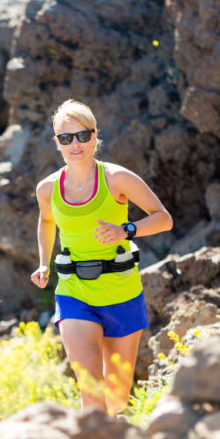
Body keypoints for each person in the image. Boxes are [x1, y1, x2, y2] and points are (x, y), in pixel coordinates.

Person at [31, 99, 173, 413]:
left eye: (82, 135)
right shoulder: (47, 189)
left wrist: (127, 230)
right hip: (74, 293)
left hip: (122, 293)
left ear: (95, 136)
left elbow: (164, 218)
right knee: (92, 391)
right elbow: (46, 221)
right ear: (57, 143)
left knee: (117, 398)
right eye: (66, 138)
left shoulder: (117, 179)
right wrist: (43, 262)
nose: (75, 144)